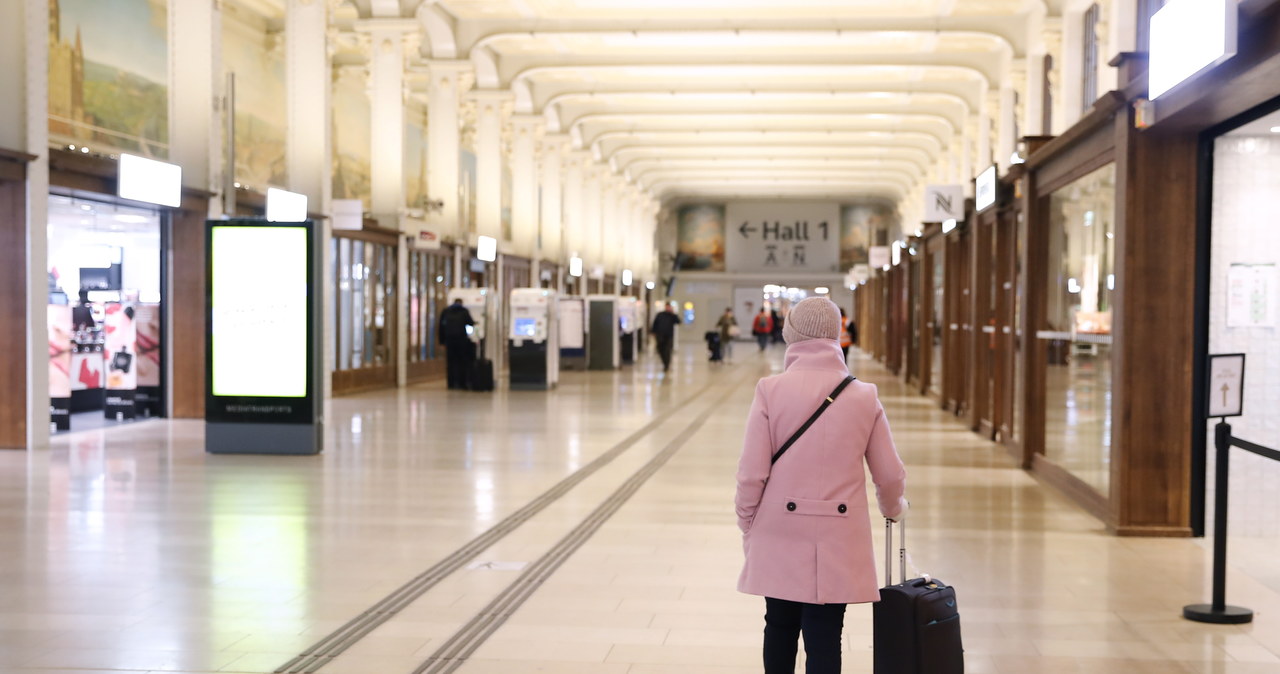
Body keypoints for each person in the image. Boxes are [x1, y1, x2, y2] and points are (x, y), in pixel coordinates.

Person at [734, 297, 908, 674]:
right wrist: (893, 508)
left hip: (780, 528)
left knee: (779, 624)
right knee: (826, 634)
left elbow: (751, 472)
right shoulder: (863, 396)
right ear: (835, 335)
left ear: (791, 336)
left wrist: (747, 520)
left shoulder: (770, 390)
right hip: (839, 534)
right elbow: (890, 474)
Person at [438, 299, 476, 390]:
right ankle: (462, 383)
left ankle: (451, 384)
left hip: (449, 341)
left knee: (451, 363)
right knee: (462, 362)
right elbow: (470, 323)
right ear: (461, 303)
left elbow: (441, 327)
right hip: (461, 341)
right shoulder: (464, 311)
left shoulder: (446, 311)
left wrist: (442, 341)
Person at [651, 302, 679, 372]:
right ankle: (664, 362)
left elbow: (678, 321)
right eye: (667, 307)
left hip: (668, 335)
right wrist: (653, 332)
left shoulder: (672, 315)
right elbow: (655, 323)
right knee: (660, 349)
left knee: (667, 350)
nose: (668, 308)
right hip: (660, 335)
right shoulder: (660, 314)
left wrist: (673, 314)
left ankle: (666, 364)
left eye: (669, 307)